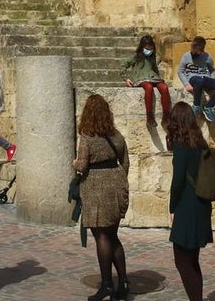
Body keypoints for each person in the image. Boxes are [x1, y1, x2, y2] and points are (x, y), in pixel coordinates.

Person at [73, 94, 131, 301]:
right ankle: (123, 282)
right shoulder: (117, 136)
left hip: (96, 187)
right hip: (116, 184)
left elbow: (82, 165)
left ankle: (107, 284)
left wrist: (74, 163)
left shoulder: (87, 137)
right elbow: (125, 163)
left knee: (102, 236)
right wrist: (118, 179)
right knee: (113, 235)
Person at [166, 101, 215, 301]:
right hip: (202, 204)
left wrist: (172, 206)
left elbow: (178, 180)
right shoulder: (199, 142)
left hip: (187, 205)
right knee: (193, 260)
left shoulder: (181, 145)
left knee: (182, 261)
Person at [124, 34, 171, 127]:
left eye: (150, 48)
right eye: (146, 48)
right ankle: (149, 117)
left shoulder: (153, 57)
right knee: (148, 87)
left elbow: (155, 69)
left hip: (153, 77)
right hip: (140, 78)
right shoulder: (135, 57)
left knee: (164, 88)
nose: (148, 50)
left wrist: (159, 79)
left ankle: (166, 116)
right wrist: (126, 79)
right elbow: (123, 65)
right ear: (142, 47)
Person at [177, 36, 215, 122]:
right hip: (193, 78)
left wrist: (212, 79)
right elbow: (180, 71)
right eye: (194, 51)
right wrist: (186, 84)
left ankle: (208, 106)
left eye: (198, 52)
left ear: (202, 49)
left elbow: (212, 70)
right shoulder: (186, 56)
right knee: (200, 80)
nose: (196, 53)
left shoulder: (207, 57)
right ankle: (196, 106)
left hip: (205, 78)